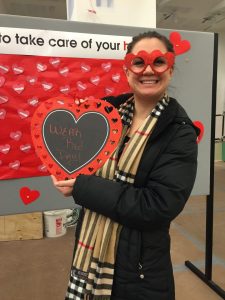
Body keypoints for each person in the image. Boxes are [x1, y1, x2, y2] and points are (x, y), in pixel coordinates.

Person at [51, 31, 199, 300]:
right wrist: (67, 171)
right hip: (90, 248)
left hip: (140, 267)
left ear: (171, 69)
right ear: (127, 70)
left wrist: (82, 187)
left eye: (159, 61)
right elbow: (83, 165)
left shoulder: (178, 132)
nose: (148, 70)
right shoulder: (105, 116)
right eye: (139, 62)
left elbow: (157, 206)